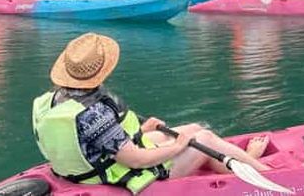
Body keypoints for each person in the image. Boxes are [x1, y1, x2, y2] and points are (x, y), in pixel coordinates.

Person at [32, 33, 271, 193]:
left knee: (194, 128)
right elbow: (134, 159)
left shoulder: (50, 100)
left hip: (85, 167)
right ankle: (267, 174)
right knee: (203, 139)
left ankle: (245, 161)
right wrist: (178, 147)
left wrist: (141, 130)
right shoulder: (94, 112)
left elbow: (86, 138)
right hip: (114, 175)